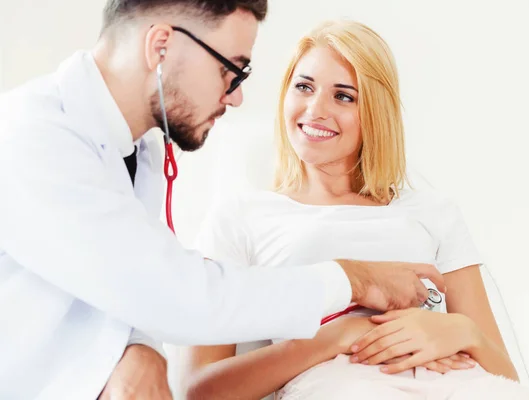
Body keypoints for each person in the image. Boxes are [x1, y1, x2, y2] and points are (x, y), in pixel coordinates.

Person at [0, 2, 446, 399]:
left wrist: (140, 348)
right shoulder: (31, 138)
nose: (236, 96)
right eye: (229, 69)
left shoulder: (140, 152)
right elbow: (182, 296)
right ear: (160, 47)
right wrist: (351, 281)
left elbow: (123, 279)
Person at [181, 20, 529, 400]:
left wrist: (460, 332)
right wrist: (336, 337)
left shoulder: (433, 212)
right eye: (304, 87)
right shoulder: (242, 217)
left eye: (344, 96)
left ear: (375, 112)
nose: (316, 109)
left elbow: (507, 381)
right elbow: (199, 390)